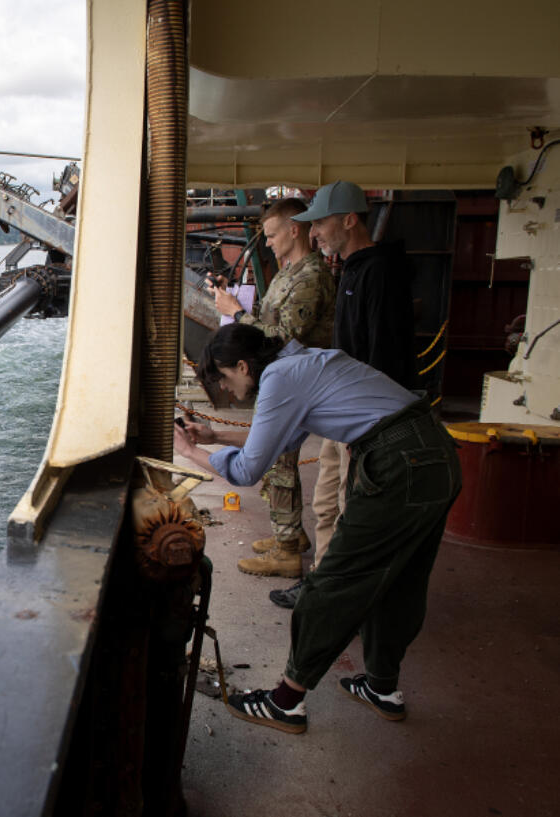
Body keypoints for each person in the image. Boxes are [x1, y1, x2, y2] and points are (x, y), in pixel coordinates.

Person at [173, 324, 459, 734]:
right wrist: (215, 433)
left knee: (331, 584)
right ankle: (382, 688)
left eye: (224, 378)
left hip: (398, 464)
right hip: (435, 454)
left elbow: (247, 470)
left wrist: (191, 452)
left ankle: (286, 702)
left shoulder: (278, 377)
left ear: (241, 364)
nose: (226, 389)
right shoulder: (301, 362)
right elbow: (284, 438)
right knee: (402, 581)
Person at [269, 181, 417, 610]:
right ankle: (323, 585)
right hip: (344, 410)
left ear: (349, 220)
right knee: (327, 502)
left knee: (352, 508)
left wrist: (366, 426)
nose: (314, 233)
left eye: (321, 224)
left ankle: (342, 594)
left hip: (365, 418)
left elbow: (383, 353)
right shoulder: (352, 269)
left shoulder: (379, 272)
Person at [208, 198, 335, 579]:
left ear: (294, 230)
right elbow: (267, 317)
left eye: (272, 235)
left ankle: (285, 551)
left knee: (279, 464)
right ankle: (291, 536)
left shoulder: (311, 278)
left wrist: (236, 313)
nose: (267, 243)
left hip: (299, 384)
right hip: (284, 380)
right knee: (280, 463)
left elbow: (282, 336)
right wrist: (235, 299)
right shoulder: (287, 273)